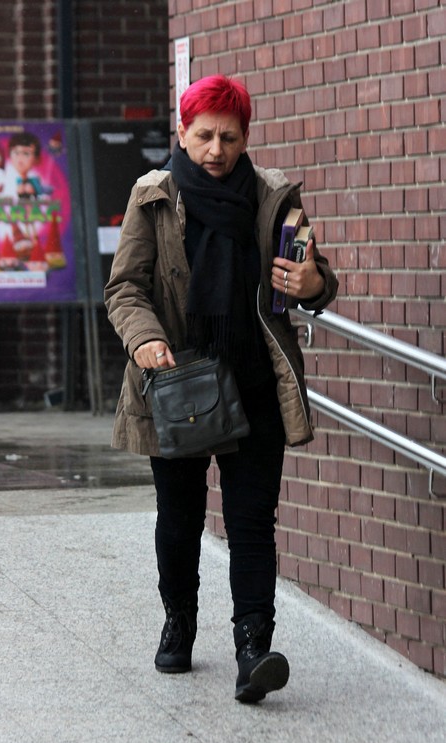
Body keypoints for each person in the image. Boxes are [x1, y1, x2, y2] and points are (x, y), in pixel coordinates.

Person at [105, 75, 338, 704]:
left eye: (229, 138)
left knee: (252, 522)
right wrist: (145, 340)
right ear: (182, 132)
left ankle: (253, 650)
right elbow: (124, 288)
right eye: (204, 135)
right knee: (179, 517)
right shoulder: (153, 196)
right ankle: (179, 621)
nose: (216, 150)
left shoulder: (274, 197)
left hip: (253, 380)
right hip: (177, 381)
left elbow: (316, 279)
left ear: (245, 137)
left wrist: (312, 284)